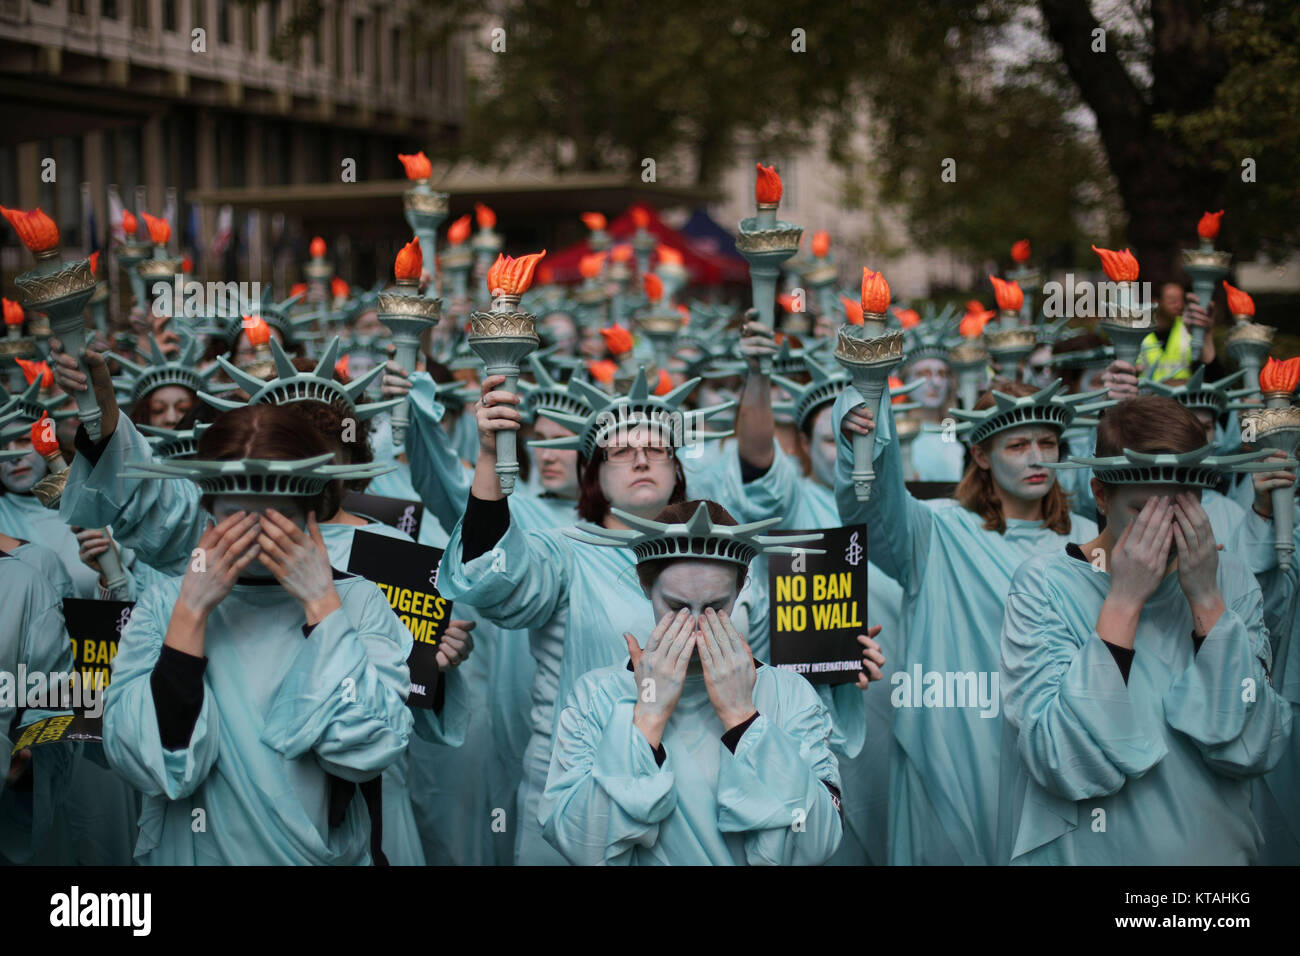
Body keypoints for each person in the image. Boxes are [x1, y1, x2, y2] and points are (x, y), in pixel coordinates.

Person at [102, 404, 416, 864]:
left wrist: (322, 604)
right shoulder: (166, 601)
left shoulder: (357, 600)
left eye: (274, 517)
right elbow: (147, 761)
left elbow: (368, 746)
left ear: (311, 513)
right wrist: (191, 611)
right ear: (208, 510)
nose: (254, 536)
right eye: (236, 516)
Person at [1001, 395, 1293, 864]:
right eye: (1143, 511)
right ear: (1101, 495)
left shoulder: (1231, 578)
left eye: (1181, 509)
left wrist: (1206, 599)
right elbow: (1058, 757)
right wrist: (1124, 600)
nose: (1165, 531)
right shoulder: (1044, 583)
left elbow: (1253, 747)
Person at [835, 378, 1106, 864]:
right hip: (954, 745)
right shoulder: (936, 529)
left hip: (1049, 750)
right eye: (1018, 445)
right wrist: (867, 431)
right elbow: (868, 508)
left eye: (1047, 443)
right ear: (981, 456)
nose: (1037, 457)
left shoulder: (1087, 539)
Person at [540, 499, 846, 865]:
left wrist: (744, 719)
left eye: (717, 606)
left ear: (741, 586)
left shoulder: (790, 694)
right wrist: (647, 719)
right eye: (676, 606)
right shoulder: (596, 695)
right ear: (645, 586)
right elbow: (578, 843)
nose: (698, 625)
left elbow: (818, 843)